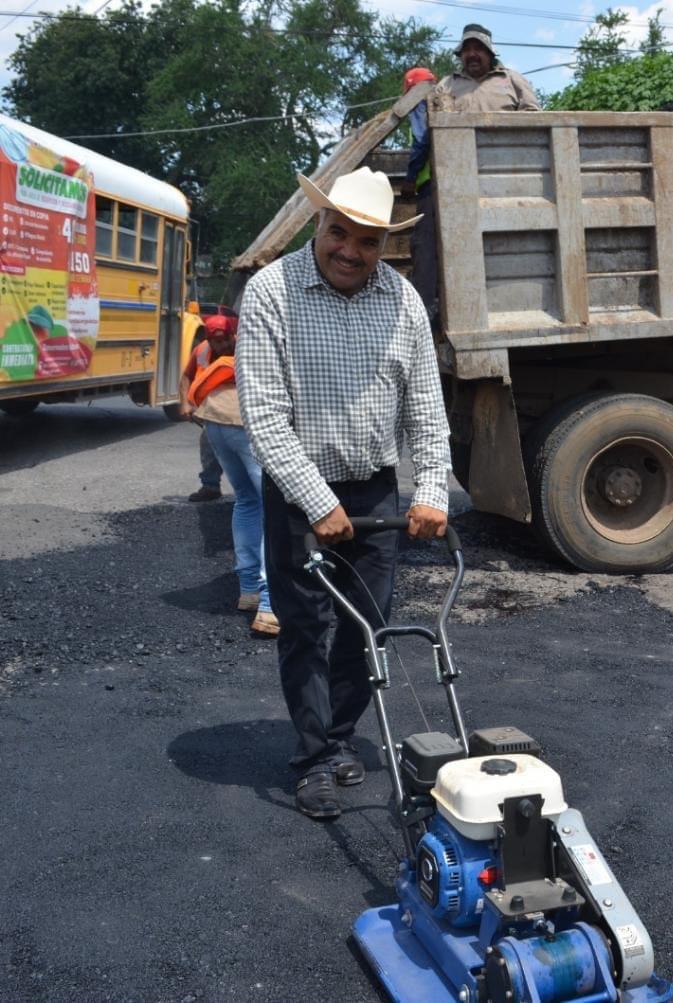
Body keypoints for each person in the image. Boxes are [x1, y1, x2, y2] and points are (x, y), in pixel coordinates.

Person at [237, 166, 451, 821]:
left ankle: (336, 737)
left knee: (369, 627)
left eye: (368, 241)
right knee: (304, 627)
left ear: (384, 244)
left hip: (377, 490)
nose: (351, 251)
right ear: (318, 224)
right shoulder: (272, 292)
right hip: (302, 493)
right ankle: (310, 761)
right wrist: (316, 501)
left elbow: (426, 407)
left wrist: (433, 489)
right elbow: (265, 415)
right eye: (340, 233)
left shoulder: (402, 299)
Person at [181, 314, 277, 637]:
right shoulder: (270, 330)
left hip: (216, 420)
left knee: (248, 501)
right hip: (243, 419)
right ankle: (269, 605)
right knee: (274, 508)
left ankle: (249, 589)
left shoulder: (243, 334)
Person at [401, 67, 439, 320]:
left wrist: (411, 177)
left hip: (431, 186)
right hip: (449, 182)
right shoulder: (442, 102)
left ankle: (424, 310)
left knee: (424, 246)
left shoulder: (420, 103)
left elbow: (422, 139)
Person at [435, 24, 540, 112]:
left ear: (489, 54)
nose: (472, 54)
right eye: (466, 49)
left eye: (478, 48)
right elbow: (435, 124)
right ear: (461, 55)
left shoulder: (514, 80)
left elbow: (535, 120)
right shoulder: (446, 85)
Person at [181, 331, 225, 502]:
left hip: (238, 408)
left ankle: (256, 492)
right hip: (211, 407)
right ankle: (210, 486)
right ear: (209, 340)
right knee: (208, 444)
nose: (222, 345)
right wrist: (185, 403)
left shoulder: (243, 345)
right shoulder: (201, 350)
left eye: (225, 340)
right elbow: (187, 376)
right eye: (217, 341)